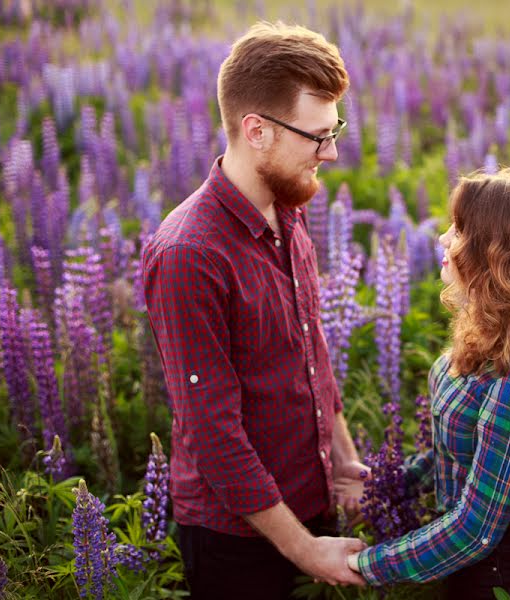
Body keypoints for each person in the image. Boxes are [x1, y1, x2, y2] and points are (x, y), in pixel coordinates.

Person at [141, 21, 368, 598]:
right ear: (257, 130)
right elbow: (213, 433)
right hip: (237, 540)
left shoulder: (287, 207)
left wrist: (343, 462)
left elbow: (311, 352)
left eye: (334, 129)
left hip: (310, 505)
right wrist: (304, 550)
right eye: (317, 135)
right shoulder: (190, 253)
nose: (333, 151)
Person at [347, 169, 510, 599]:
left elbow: (475, 529)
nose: (442, 239)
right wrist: (380, 484)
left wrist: (364, 564)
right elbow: (456, 454)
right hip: (467, 567)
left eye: (460, 231)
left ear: (502, 257)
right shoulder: (485, 343)